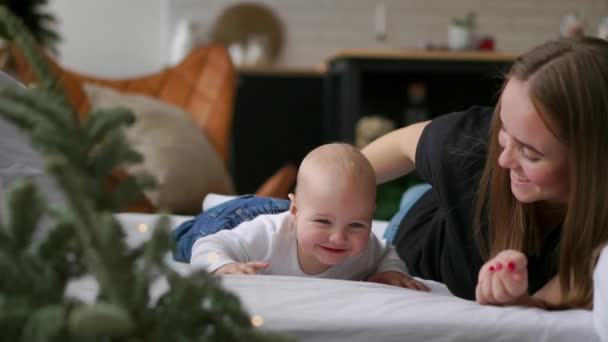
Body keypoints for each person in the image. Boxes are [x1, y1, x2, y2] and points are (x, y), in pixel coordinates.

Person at [361, 37, 608, 309]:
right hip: (422, 223)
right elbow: (397, 146)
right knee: (424, 193)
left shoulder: (600, 238)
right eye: (503, 132)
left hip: (462, 200)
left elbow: (543, 304)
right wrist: (314, 194)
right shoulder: (471, 144)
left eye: (531, 153)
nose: (503, 159)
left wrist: (516, 300)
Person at [186, 143, 428, 291]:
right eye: (323, 222)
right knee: (188, 237)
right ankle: (221, 204)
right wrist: (223, 265)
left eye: (356, 224)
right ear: (295, 211)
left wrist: (391, 272)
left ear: (370, 216)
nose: (338, 237)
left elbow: (387, 252)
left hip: (300, 208)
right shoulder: (266, 236)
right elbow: (208, 244)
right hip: (241, 217)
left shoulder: (366, 250)